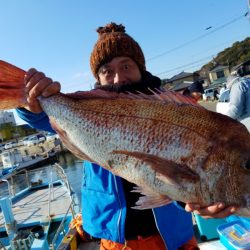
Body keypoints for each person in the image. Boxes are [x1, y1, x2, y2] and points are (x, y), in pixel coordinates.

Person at [16, 22, 237, 250]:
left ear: (140, 68)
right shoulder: (85, 106)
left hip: (175, 240)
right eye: (107, 71)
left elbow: (178, 184)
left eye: (126, 66)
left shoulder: (175, 108)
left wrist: (196, 199)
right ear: (98, 79)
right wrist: (29, 101)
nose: (118, 78)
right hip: (116, 242)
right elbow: (42, 118)